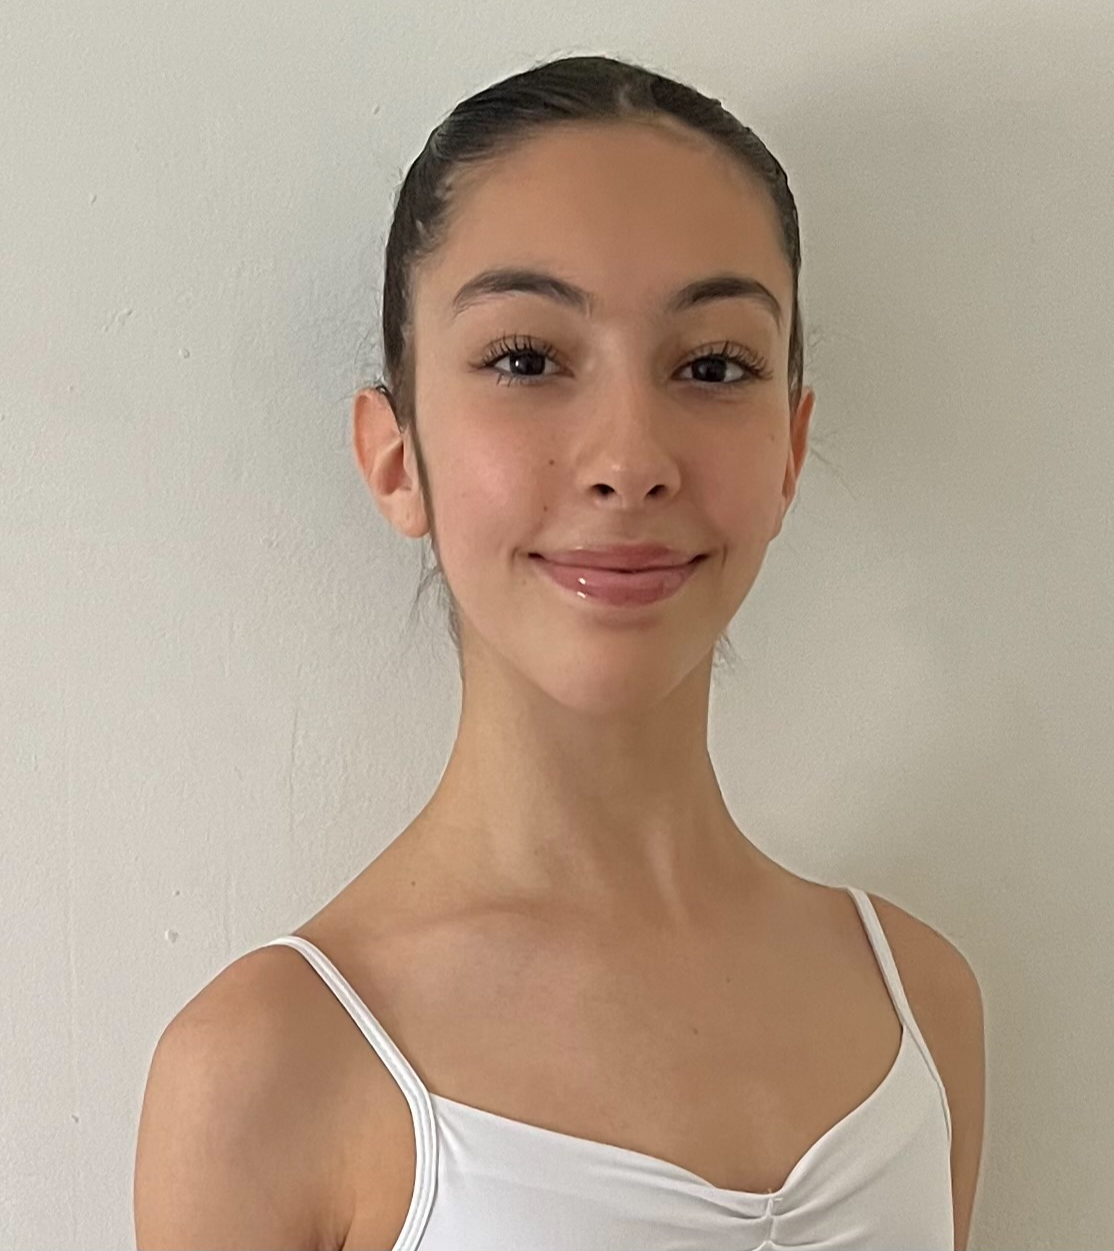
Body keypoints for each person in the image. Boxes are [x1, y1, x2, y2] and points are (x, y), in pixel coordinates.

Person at [134, 52, 984, 1251]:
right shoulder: (267, 1073)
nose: (630, 460)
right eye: (526, 360)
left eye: (713, 366)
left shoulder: (922, 1007)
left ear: (790, 450)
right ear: (395, 455)